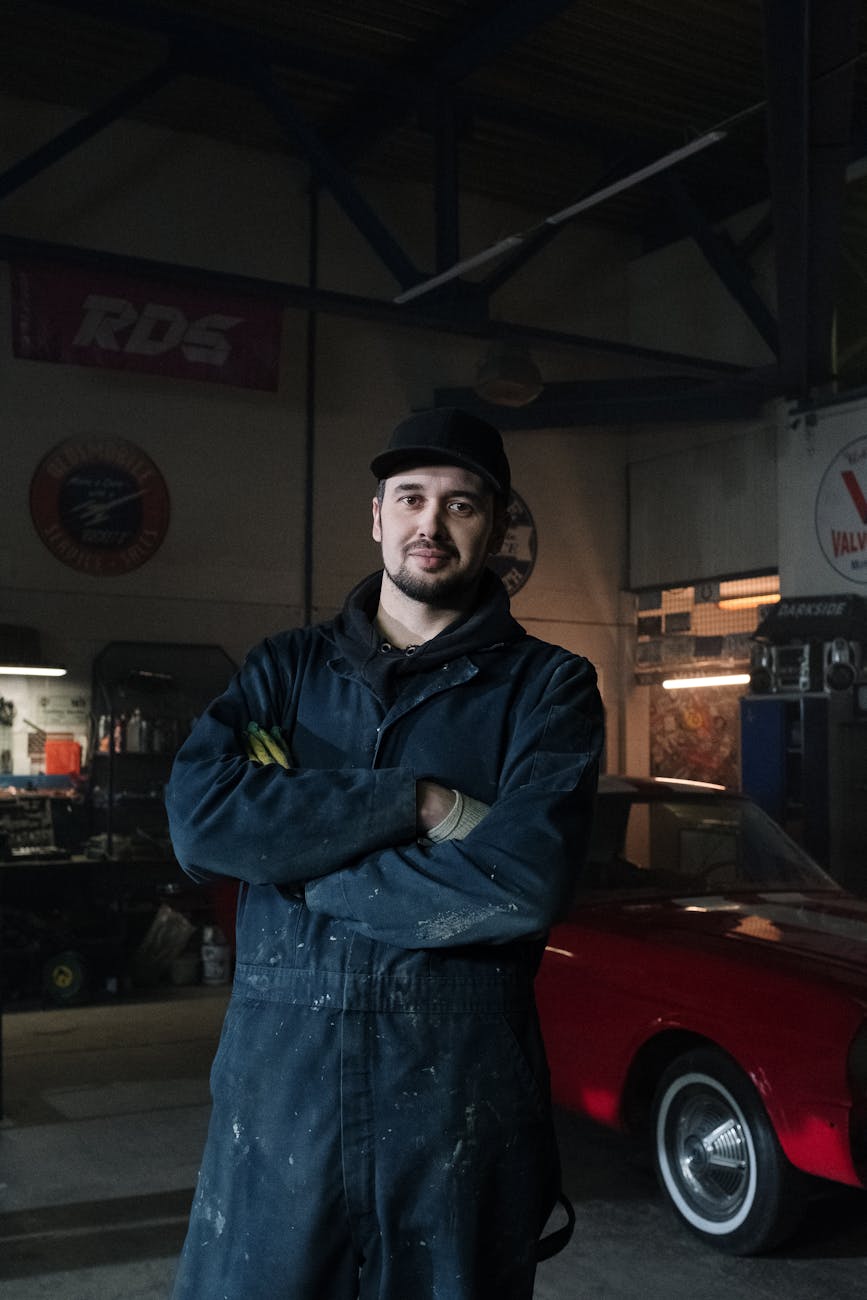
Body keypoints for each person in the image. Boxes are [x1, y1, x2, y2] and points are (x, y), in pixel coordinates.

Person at [166, 406, 604, 1300]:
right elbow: (200, 821)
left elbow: (518, 884)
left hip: (456, 1113)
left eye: (460, 504)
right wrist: (417, 802)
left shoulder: (548, 689)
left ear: (496, 524)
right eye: (409, 498)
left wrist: (293, 863)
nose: (430, 525)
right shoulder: (285, 671)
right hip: (279, 1105)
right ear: (376, 517)